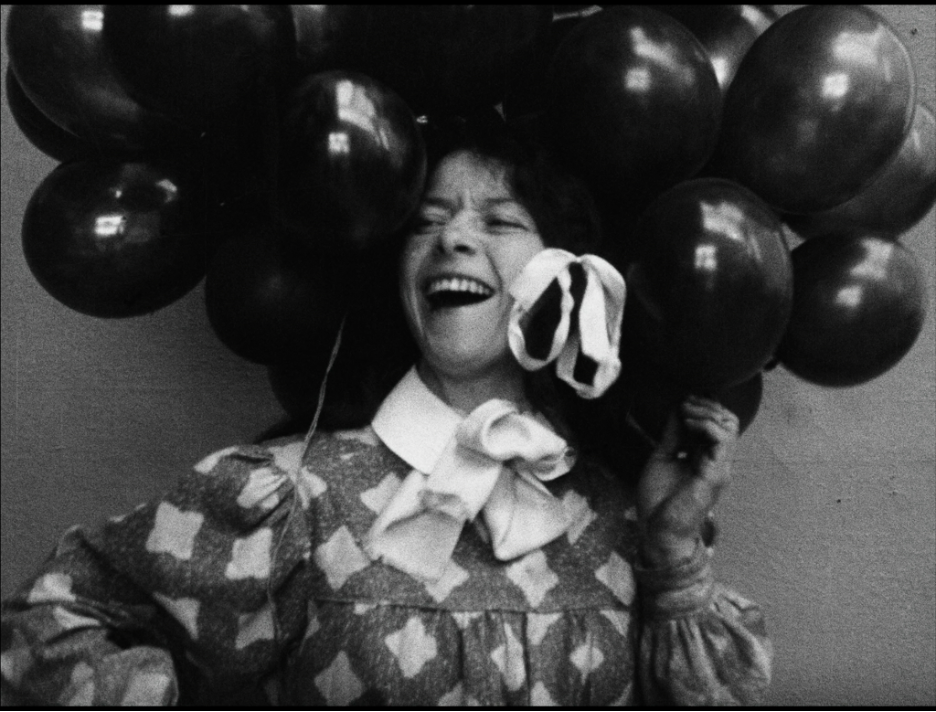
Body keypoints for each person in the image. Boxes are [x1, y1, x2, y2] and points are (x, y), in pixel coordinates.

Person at [0, 119, 772, 706]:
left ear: (566, 277)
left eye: (498, 222)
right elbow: (41, 628)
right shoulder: (291, 498)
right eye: (426, 221)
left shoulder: (618, 517)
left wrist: (675, 559)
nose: (453, 241)